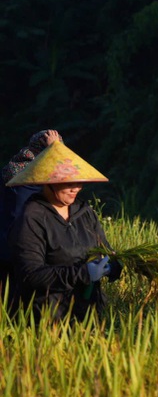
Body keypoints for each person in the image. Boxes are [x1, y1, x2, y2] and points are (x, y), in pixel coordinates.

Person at [7, 140, 122, 322]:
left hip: (89, 315)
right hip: (50, 318)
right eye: (68, 183)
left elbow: (105, 249)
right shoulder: (32, 217)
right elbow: (31, 275)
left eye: (79, 182)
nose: (76, 188)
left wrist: (113, 266)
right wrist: (83, 273)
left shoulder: (84, 212)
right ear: (48, 183)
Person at [1, 129, 62, 306]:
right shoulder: (34, 178)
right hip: (24, 249)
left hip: (4, 247)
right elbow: (62, 172)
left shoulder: (11, 169)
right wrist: (55, 149)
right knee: (22, 304)